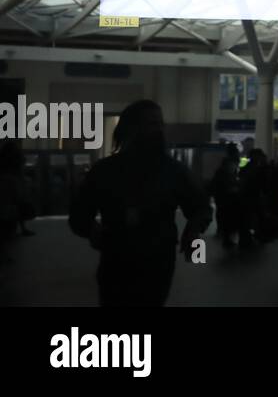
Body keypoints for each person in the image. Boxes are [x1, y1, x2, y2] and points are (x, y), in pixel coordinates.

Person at [68, 100, 211, 306]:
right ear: (132, 128)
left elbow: (200, 207)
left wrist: (193, 234)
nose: (158, 129)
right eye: (151, 123)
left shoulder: (173, 170)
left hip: (157, 262)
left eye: (160, 123)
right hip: (117, 261)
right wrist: (91, 230)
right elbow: (79, 214)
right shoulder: (105, 171)